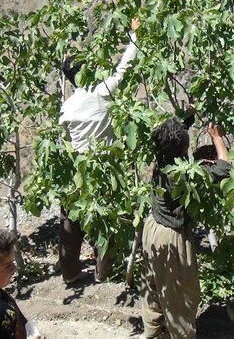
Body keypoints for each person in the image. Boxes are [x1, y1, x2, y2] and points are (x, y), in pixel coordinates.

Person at [57, 18, 141, 283]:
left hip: (79, 170)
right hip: (105, 168)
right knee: (106, 222)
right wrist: (135, 37)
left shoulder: (67, 107)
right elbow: (124, 69)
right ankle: (103, 273)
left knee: (70, 222)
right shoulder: (101, 93)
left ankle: (69, 272)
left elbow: (64, 140)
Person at [140, 118, 231, 339]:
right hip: (171, 239)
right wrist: (217, 138)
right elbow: (224, 169)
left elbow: (173, 132)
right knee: (179, 295)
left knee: (153, 287)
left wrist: (190, 114)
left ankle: (153, 333)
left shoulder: (162, 158)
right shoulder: (183, 176)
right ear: (182, 148)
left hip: (151, 229)